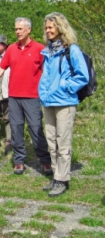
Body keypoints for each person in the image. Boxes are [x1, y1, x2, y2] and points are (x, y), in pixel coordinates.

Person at [0, 17, 52, 175]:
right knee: (16, 129)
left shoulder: (39, 49)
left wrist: (48, 90)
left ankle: (45, 160)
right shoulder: (11, 49)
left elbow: (47, 72)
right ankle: (19, 160)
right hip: (14, 97)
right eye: (16, 29)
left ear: (29, 30)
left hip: (33, 97)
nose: (17, 32)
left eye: (20, 29)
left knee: (36, 128)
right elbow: (1, 68)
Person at [39, 12, 89, 197]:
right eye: (46, 28)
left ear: (60, 28)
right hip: (49, 101)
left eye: (50, 27)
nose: (48, 30)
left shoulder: (71, 50)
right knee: (51, 142)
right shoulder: (48, 51)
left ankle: (62, 179)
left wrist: (65, 87)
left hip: (65, 102)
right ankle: (56, 176)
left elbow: (83, 76)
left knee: (63, 141)